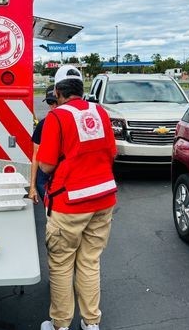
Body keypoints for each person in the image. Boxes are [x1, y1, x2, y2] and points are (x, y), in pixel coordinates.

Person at [37, 65, 118, 330]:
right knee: (89, 261)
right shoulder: (100, 111)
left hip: (69, 203)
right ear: (82, 91)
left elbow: (47, 165)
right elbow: (112, 153)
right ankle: (91, 322)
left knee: (61, 264)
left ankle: (60, 324)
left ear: (58, 91)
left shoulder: (57, 117)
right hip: (103, 199)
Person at [29, 85, 58, 204]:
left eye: (56, 102)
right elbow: (36, 155)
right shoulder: (43, 125)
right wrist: (32, 187)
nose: (53, 106)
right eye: (50, 102)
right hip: (45, 176)